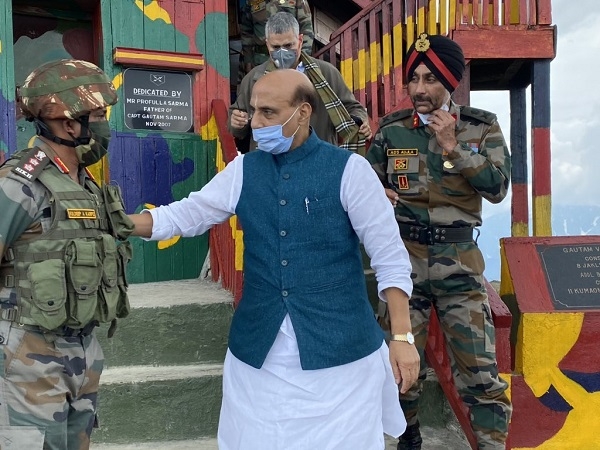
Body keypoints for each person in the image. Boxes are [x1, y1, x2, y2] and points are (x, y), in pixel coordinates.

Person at [129, 68, 420, 449]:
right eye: (254, 111)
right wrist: (120, 223)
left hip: (341, 353)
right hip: (258, 352)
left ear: (303, 112)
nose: (256, 122)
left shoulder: (350, 171)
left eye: (268, 112)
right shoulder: (243, 170)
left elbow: (389, 256)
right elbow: (186, 214)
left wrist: (402, 336)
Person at [366, 33, 512, 450]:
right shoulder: (392, 131)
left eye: (430, 79)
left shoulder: (481, 127)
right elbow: (363, 183)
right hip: (404, 267)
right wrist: (378, 193)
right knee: (400, 369)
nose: (419, 89)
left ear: (449, 81)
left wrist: (453, 147)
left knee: (480, 374)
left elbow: (498, 188)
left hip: (460, 268)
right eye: (414, 79)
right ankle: (408, 437)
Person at [0, 59, 133, 449]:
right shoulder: (21, 184)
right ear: (70, 124)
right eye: (99, 116)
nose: (105, 127)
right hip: (28, 356)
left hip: (81, 352)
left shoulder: (84, 183)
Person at [229, 12, 372, 153]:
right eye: (276, 47)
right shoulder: (254, 79)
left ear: (300, 40)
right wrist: (237, 123)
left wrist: (360, 122)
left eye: (288, 45)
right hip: (269, 160)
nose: (282, 52)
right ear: (267, 44)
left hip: (318, 157)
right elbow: (235, 122)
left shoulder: (326, 73)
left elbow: (353, 108)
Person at [239, 0, 314, 77]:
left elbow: (306, 29)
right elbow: (246, 32)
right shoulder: (251, 1)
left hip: (290, 57)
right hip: (261, 58)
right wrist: (248, 60)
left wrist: (303, 58)